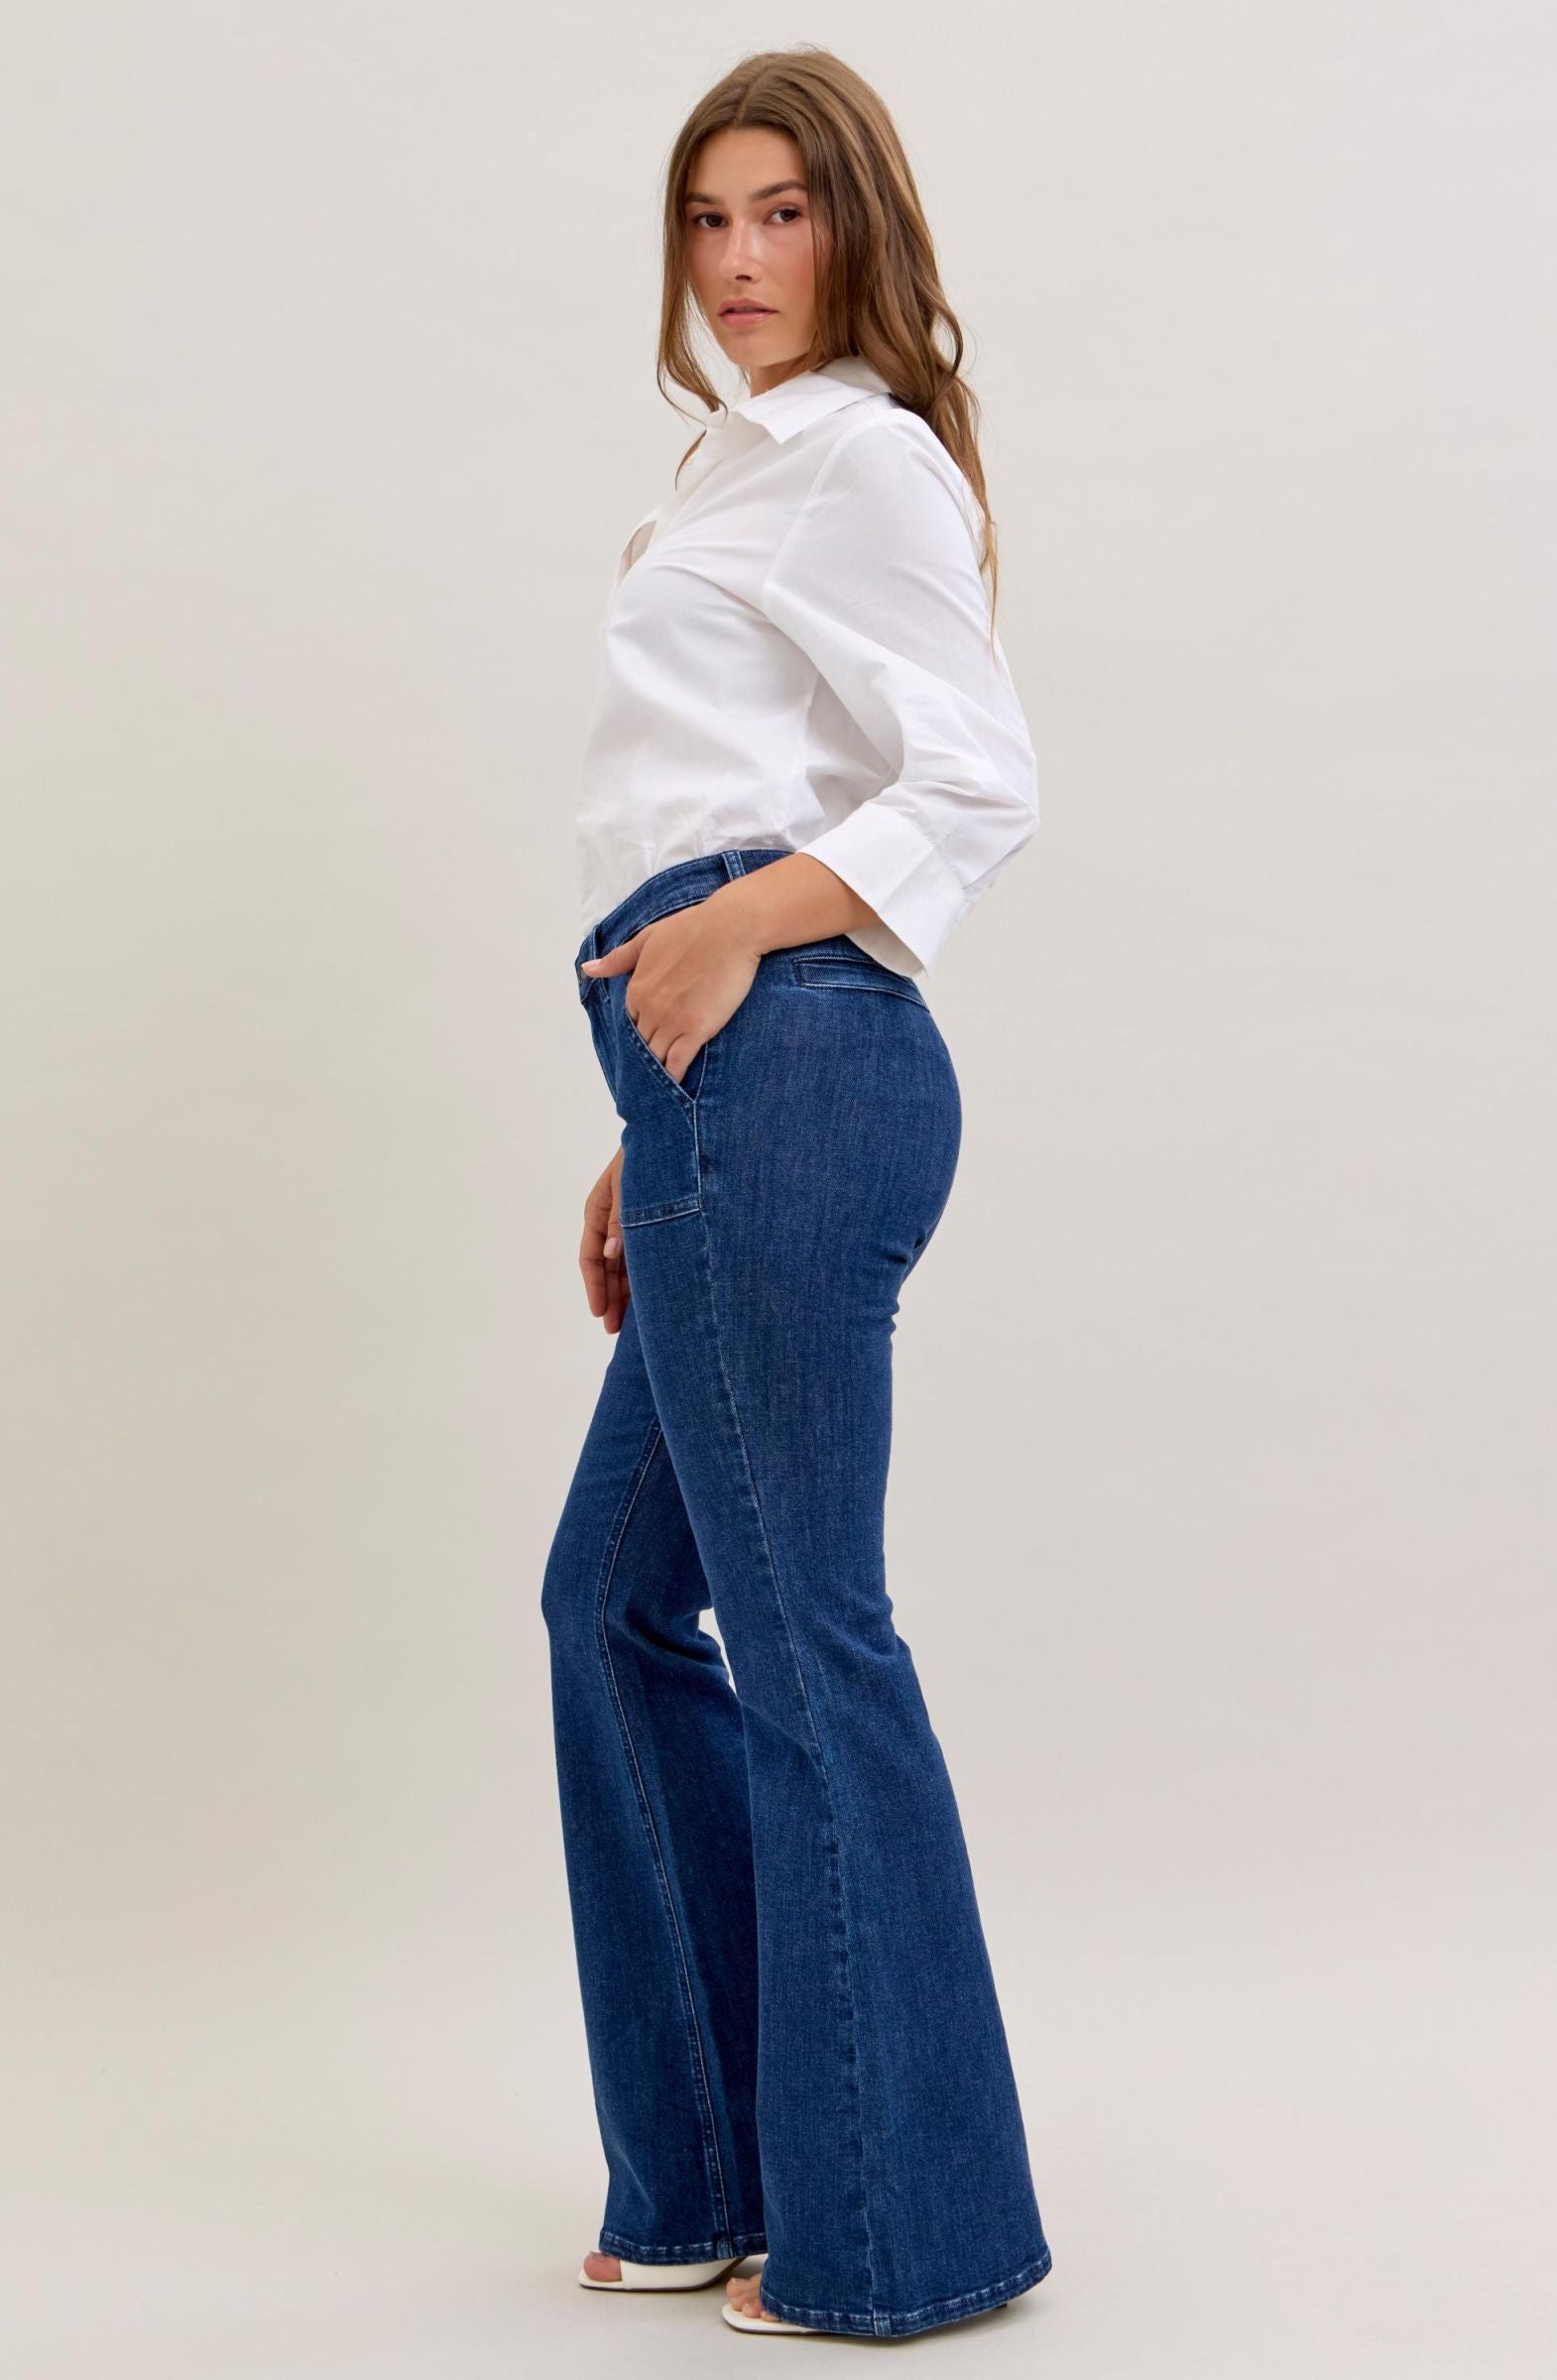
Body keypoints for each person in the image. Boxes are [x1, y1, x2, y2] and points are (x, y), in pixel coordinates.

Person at [540, 47, 1051, 2342]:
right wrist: (640, 1141)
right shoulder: (728, 472)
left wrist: (737, 948)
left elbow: (974, 779)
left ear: (853, 226)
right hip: (713, 1085)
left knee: (804, 1633)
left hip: (797, 1053)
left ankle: (896, 2236)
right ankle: (708, 2180)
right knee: (610, 1607)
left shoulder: (855, 462)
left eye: (779, 215)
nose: (737, 264)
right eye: (703, 221)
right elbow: (705, 810)